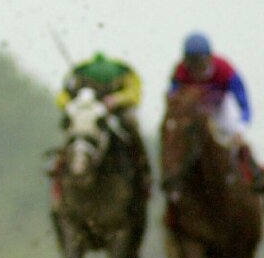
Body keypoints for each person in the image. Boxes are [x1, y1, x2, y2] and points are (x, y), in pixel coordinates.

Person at [170, 31, 264, 192]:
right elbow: (173, 99)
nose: (195, 68)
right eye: (191, 63)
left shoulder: (225, 69)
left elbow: (244, 103)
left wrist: (241, 126)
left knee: (235, 138)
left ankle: (254, 174)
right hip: (195, 112)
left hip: (221, 108)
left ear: (209, 58)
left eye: (199, 62)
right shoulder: (180, 71)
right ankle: (173, 191)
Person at [51, 52, 150, 197]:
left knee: (131, 128)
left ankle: (143, 172)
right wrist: (73, 104)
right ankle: (57, 177)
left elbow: (134, 95)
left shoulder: (125, 73)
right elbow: (62, 98)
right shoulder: (79, 74)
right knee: (70, 133)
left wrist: (116, 100)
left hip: (116, 113)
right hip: (88, 113)